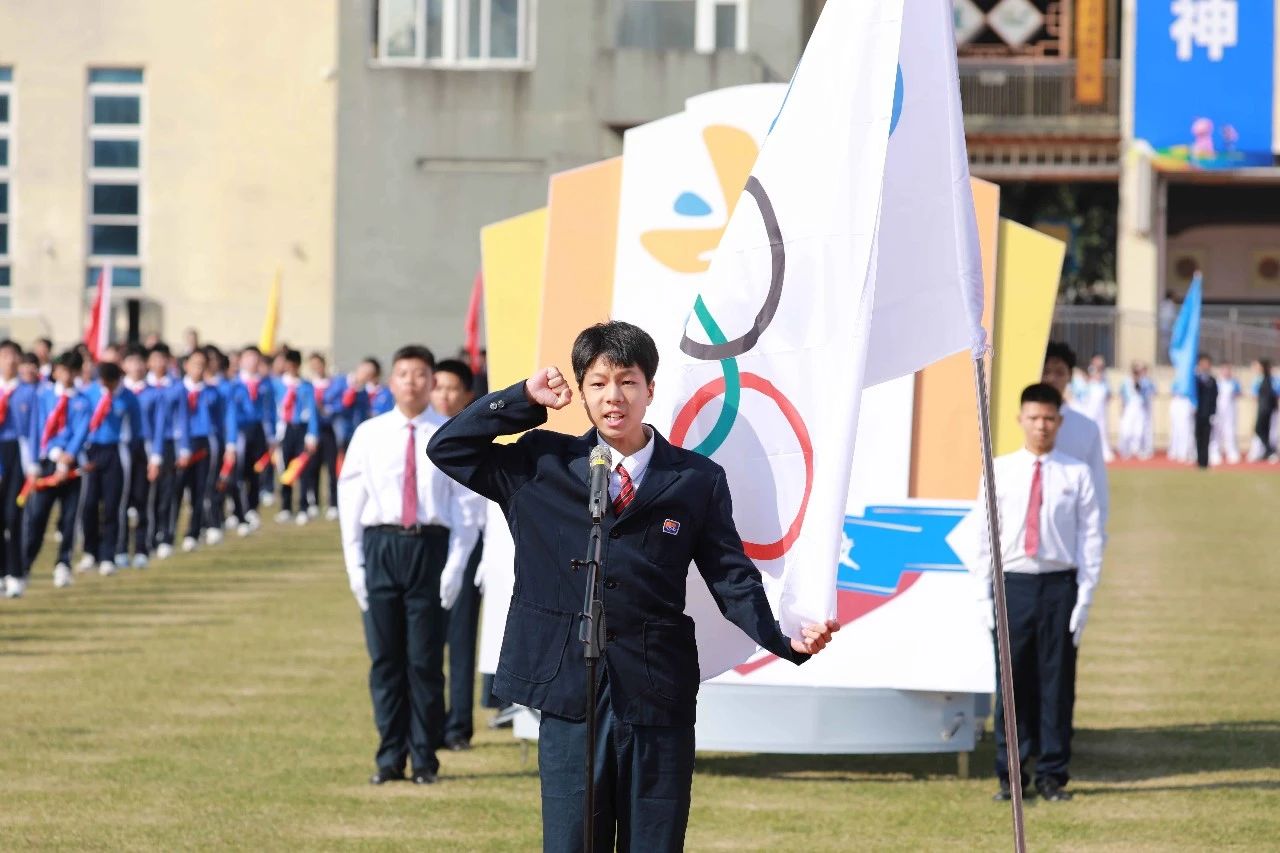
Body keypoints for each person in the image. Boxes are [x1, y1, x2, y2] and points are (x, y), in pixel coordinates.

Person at [426, 321, 839, 851]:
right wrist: (524, 398)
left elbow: (730, 575)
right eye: (598, 383)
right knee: (573, 842)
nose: (613, 396)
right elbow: (449, 447)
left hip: (656, 689)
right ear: (581, 391)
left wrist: (785, 637)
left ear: (650, 389)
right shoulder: (541, 463)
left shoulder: (695, 479)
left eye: (627, 381)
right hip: (569, 686)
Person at [337, 345, 481, 786]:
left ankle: (423, 758)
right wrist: (355, 565)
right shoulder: (370, 433)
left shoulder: (449, 434)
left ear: (432, 381)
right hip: (382, 545)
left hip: (429, 547)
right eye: (404, 374)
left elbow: (467, 506)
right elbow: (351, 502)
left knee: (425, 660)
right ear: (392, 381)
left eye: (421, 375)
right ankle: (388, 757)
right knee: (385, 659)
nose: (412, 383)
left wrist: (456, 564)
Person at [964, 383, 1102, 803]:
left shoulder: (1076, 473)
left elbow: (1091, 538)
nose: (1041, 426)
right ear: (1020, 420)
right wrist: (983, 594)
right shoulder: (1000, 470)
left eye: (1049, 418)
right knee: (1011, 684)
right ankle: (1011, 775)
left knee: (1056, 684)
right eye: (1034, 417)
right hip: (1013, 584)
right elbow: (983, 534)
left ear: (1059, 422)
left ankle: (1052, 774)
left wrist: (1085, 595)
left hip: (1059, 585)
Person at [429, 359, 486, 751]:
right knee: (425, 638)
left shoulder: (476, 437)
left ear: (467, 395)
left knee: (461, 636)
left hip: (467, 544)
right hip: (429, 544)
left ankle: (458, 725)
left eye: (452, 388)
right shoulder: (422, 433)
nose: (444, 395)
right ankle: (428, 721)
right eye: (438, 387)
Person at [25, 351, 93, 589]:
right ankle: (25, 563)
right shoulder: (44, 397)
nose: (67, 376)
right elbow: (40, 428)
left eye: (72, 371)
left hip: (73, 464)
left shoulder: (83, 401)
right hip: (47, 462)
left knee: (70, 517)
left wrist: (66, 460)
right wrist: (53, 456)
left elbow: (81, 431)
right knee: (37, 516)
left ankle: (64, 563)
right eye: (63, 370)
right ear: (55, 372)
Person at [78, 361, 144, 576]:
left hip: (116, 451)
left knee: (112, 506)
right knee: (88, 504)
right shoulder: (89, 393)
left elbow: (136, 429)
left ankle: (109, 554)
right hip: (91, 451)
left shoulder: (128, 398)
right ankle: (90, 551)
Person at [1040, 343, 1109, 533]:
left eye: (1059, 372)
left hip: (1069, 532)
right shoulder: (1022, 423)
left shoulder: (1086, 428)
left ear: (1070, 376)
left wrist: (1095, 537)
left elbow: (1098, 489)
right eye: (1046, 371)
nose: (1052, 378)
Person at [175, 348, 232, 552]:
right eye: (195, 364)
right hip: (181, 443)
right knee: (177, 489)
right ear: (186, 365)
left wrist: (229, 444)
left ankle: (194, 531)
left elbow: (223, 420)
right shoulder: (176, 391)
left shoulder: (213, 392)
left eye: (202, 365)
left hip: (206, 443)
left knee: (202, 488)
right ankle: (166, 533)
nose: (198, 369)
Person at [0, 340, 38, 597]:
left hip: (18, 454)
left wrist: (33, 463)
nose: (10, 361)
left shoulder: (28, 392)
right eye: (5, 356)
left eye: (14, 356)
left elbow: (34, 428)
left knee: (14, 516)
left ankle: (15, 573)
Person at [119, 345, 158, 569]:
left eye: (139, 362)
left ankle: (142, 548)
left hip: (144, 449)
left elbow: (158, 427)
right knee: (120, 501)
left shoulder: (153, 393)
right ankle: (121, 549)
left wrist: (156, 456)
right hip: (122, 448)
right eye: (131, 362)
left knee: (142, 500)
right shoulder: (118, 392)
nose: (136, 367)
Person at [230, 346, 275, 533]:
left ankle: (252, 508)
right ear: (241, 361)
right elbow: (230, 413)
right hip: (241, 431)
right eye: (248, 358)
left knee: (257, 471)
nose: (252, 362)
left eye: (255, 358)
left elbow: (271, 411)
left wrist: (272, 435)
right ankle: (238, 511)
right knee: (238, 472)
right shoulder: (234, 384)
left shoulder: (265, 384)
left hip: (259, 431)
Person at [271, 348, 319, 525]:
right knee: (285, 468)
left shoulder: (305, 386)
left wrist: (312, 435)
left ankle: (303, 507)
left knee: (302, 468)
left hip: (301, 428)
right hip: (285, 429)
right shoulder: (277, 385)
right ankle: (286, 507)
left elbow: (312, 411)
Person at [147, 344, 182, 559]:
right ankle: (149, 537)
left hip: (169, 443)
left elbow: (182, 418)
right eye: (154, 359)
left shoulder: (176, 386)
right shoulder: (143, 388)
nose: (159, 364)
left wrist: (183, 446)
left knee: (168, 492)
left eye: (162, 359)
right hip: (147, 444)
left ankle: (167, 535)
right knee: (149, 494)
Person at [305, 352, 340, 521]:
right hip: (312, 432)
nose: (316, 367)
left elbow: (340, 404)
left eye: (318, 364)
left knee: (332, 469)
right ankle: (314, 503)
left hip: (328, 430)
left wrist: (328, 409)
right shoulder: (308, 385)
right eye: (313, 365)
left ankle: (333, 504)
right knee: (313, 468)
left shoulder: (333, 384)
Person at [1117, 361, 1154, 460]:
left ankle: (1137, 450)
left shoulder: (1145, 382)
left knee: (1139, 431)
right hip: (1129, 408)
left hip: (1140, 408)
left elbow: (1150, 393)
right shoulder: (1126, 381)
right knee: (1126, 431)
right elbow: (1122, 396)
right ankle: (1125, 450)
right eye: (1136, 371)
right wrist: (1122, 408)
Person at [1210, 365, 1242, 466]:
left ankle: (1231, 452)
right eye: (1224, 370)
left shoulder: (1234, 383)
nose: (1226, 372)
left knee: (1230, 431)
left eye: (1228, 370)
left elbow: (1239, 393)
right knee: (1216, 432)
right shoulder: (1217, 382)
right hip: (1218, 411)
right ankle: (1214, 452)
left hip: (1230, 411)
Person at [1193, 354, 1218, 470]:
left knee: (1206, 438)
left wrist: (1213, 412)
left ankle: (1205, 462)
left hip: (1208, 414)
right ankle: (1199, 461)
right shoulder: (1194, 380)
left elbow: (1214, 397)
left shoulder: (1212, 380)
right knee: (1198, 437)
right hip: (1197, 413)